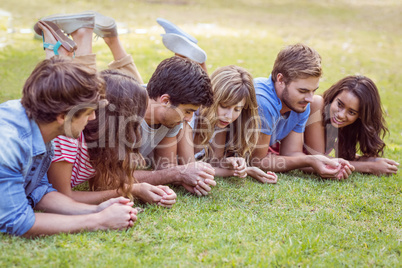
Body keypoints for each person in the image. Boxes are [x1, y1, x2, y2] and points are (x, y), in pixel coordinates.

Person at [0, 21, 137, 237]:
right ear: (63, 116)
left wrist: (97, 208)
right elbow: (16, 221)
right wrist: (97, 220)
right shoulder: (8, 143)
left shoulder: (45, 131)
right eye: (88, 112)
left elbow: (39, 191)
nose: (92, 118)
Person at [42, 12, 176, 207]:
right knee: (72, 98)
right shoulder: (68, 138)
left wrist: (136, 188)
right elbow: (64, 197)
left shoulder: (104, 145)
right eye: (135, 118)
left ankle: (76, 42)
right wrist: (131, 190)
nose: (138, 125)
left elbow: (105, 182)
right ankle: (72, 44)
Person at [158, 19, 277, 184]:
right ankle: (191, 58)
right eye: (225, 106)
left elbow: (212, 162)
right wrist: (230, 171)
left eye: (237, 109)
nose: (229, 116)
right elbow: (190, 166)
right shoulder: (187, 118)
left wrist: (233, 165)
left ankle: (192, 54)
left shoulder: (220, 123)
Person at [249, 43, 354, 179]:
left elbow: (292, 153)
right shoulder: (263, 101)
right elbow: (257, 162)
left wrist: (325, 161)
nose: (310, 99)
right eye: (302, 91)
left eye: (313, 91)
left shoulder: (300, 105)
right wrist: (309, 160)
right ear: (281, 79)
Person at [304, 75, 399, 176]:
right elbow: (319, 159)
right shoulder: (317, 104)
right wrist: (370, 167)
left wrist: (369, 160)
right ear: (334, 96)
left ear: (360, 116)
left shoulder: (343, 125)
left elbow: (342, 158)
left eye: (352, 112)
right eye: (339, 104)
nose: (341, 115)